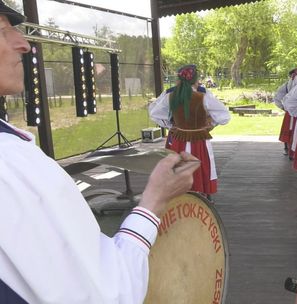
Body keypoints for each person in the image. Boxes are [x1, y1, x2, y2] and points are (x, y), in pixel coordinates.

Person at [0, 2, 201, 303]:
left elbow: (158, 112)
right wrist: (154, 200)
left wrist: (170, 125)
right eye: (3, 32)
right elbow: (109, 294)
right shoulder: (11, 163)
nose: (24, 44)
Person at [149, 64, 231, 200]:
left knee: (178, 165)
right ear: (196, 79)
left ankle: (178, 196)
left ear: (179, 79)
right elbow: (224, 116)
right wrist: (210, 124)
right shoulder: (203, 95)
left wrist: (171, 125)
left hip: (178, 139)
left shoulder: (170, 94)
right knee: (200, 165)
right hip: (199, 139)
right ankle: (202, 195)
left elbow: (154, 113)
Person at [275, 67, 297, 157]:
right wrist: (284, 107)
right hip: (291, 113)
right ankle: (288, 149)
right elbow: (277, 97)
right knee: (289, 131)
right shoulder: (287, 86)